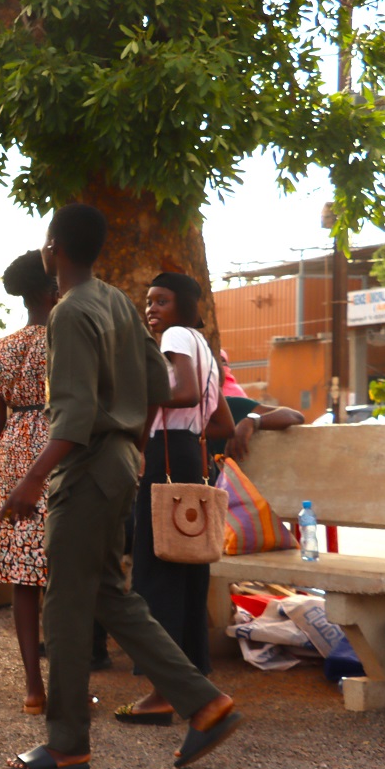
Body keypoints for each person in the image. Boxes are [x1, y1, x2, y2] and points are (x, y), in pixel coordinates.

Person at [0, 203, 239, 769]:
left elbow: (75, 414)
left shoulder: (69, 311)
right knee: (109, 592)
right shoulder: (117, 302)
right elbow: (159, 385)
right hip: (121, 463)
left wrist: (31, 479)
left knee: (65, 602)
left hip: (85, 467)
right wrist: (132, 434)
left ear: (54, 248)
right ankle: (204, 702)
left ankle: (67, 743)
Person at [116, 272, 237, 723]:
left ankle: (164, 691)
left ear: (184, 306)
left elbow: (184, 393)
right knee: (187, 570)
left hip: (165, 461)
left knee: (155, 572)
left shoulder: (175, 337)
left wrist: (135, 397)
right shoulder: (204, 347)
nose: (152, 309)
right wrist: (190, 435)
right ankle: (190, 680)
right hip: (188, 459)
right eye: (149, 301)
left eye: (162, 300)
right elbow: (222, 422)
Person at [0, 250, 59, 715]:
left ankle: (33, 688)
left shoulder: (0, 349)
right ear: (52, 290)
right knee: (64, 568)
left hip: (12, 455)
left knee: (23, 575)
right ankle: (68, 682)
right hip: (56, 451)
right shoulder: (67, 339)